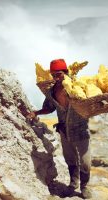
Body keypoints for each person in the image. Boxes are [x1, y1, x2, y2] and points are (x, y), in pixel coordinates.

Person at [27, 59, 92, 199]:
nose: (57, 77)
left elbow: (89, 102)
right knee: (70, 159)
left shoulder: (76, 87)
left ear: (66, 72)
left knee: (85, 161)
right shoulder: (52, 91)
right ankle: (73, 184)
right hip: (64, 130)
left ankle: (85, 187)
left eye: (59, 74)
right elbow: (49, 108)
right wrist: (36, 113)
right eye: (54, 75)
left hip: (81, 130)